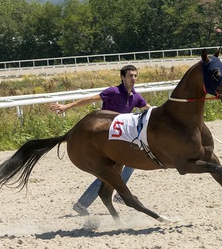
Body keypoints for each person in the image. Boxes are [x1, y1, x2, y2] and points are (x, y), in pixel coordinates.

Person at [50, 65, 151, 216]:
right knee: (109, 174)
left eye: (135, 76)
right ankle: (84, 203)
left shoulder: (136, 96)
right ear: (122, 77)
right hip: (106, 140)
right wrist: (67, 106)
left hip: (122, 139)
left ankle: (117, 194)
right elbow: (90, 99)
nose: (133, 79)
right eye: (130, 76)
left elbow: (150, 110)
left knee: (131, 163)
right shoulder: (113, 91)